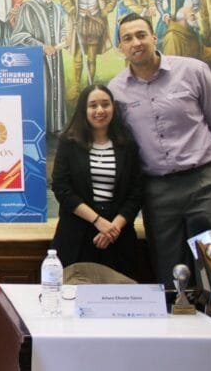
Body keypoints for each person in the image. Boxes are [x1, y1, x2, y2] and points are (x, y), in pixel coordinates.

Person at [109, 12, 211, 289]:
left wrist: (202, 165)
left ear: (154, 37)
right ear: (121, 47)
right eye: (128, 38)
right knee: (171, 275)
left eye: (141, 35)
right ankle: (178, 312)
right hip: (158, 193)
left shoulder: (193, 71)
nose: (136, 43)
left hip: (205, 185)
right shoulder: (116, 91)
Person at [51, 84, 143, 278]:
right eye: (93, 105)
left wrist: (113, 227)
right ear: (83, 110)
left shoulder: (127, 145)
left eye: (105, 104)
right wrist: (98, 221)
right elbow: (61, 188)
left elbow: (136, 192)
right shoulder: (69, 143)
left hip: (118, 236)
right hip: (77, 234)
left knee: (119, 293)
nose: (100, 110)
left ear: (113, 108)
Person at [11, 0, 68, 136]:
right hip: (37, 60)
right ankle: (39, 130)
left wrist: (64, 38)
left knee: (56, 89)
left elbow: (62, 27)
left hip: (56, 58)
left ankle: (55, 127)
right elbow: (19, 36)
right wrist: (42, 47)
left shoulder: (56, 8)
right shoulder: (28, 7)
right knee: (41, 92)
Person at [60, 0, 118, 98]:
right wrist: (71, 9)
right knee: (78, 57)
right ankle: (77, 87)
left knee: (92, 57)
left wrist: (105, 11)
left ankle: (90, 86)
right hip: (78, 21)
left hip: (94, 22)